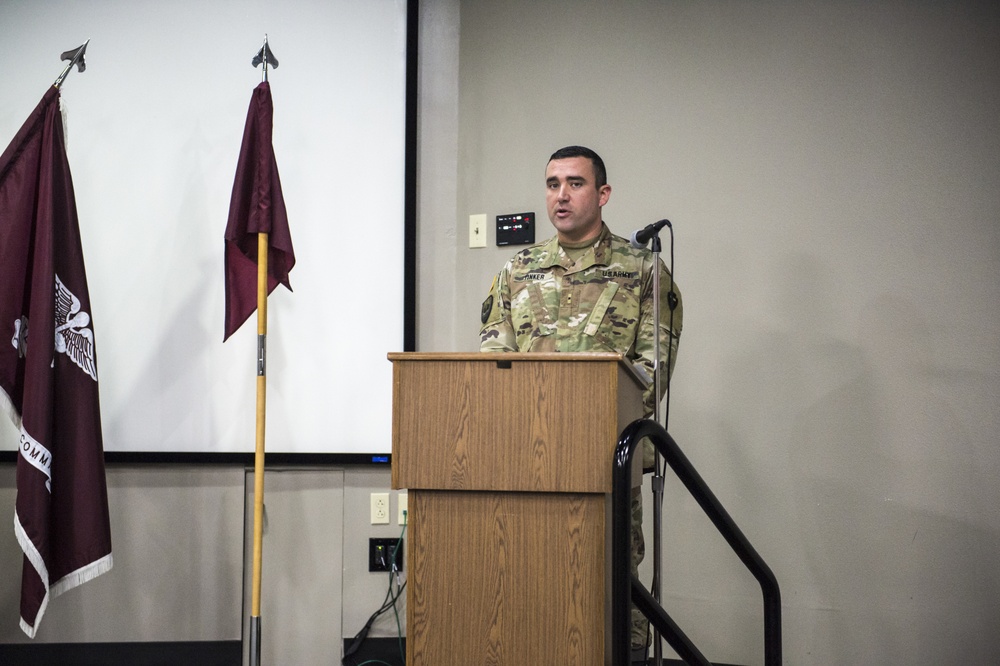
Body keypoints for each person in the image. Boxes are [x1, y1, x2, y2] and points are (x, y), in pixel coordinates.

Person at [479, 145, 682, 664]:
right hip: (526, 462)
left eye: (574, 183)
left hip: (605, 461)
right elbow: (493, 357)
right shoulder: (518, 270)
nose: (560, 195)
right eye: (552, 184)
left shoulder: (644, 271)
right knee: (525, 578)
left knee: (610, 580)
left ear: (603, 194)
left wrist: (583, 421)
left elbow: (650, 374)